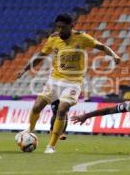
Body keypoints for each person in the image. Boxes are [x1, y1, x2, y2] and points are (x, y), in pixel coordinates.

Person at [17, 13, 121, 153]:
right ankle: (29, 130)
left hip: (73, 82)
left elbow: (101, 46)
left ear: (71, 26)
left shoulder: (82, 37)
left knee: (62, 109)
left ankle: (51, 145)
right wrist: (24, 70)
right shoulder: (53, 39)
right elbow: (41, 56)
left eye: (63, 27)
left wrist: (114, 55)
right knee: (36, 107)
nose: (59, 30)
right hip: (54, 81)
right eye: (58, 27)